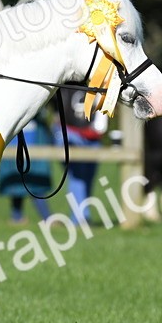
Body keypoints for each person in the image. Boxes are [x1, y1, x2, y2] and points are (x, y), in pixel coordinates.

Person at [51, 88, 108, 225]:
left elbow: (100, 125)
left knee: (88, 176)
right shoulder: (65, 84)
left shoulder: (99, 84)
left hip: (93, 137)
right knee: (78, 175)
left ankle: (83, 216)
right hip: (70, 133)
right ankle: (79, 218)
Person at [0, 113, 53, 225]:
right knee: (17, 182)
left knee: (34, 182)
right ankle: (18, 217)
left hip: (32, 141)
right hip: (16, 143)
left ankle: (45, 217)